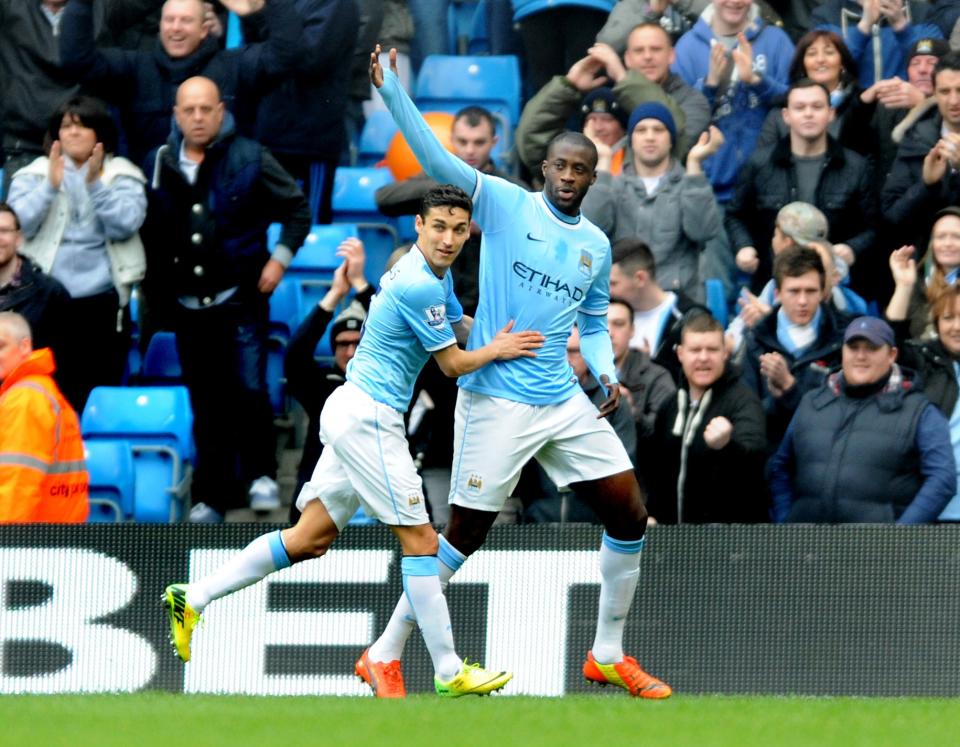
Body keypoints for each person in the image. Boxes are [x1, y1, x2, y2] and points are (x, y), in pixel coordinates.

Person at [367, 45, 672, 700]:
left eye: (580, 168)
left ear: (594, 178)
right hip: (496, 400)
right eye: (560, 164)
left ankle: (607, 653)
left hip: (560, 399)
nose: (568, 174)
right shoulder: (505, 202)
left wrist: (603, 368)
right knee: (462, 537)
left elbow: (592, 321)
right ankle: (385, 651)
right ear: (545, 168)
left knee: (629, 513)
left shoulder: (593, 244)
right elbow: (442, 163)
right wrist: (395, 96)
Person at [162, 183, 544, 699]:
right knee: (423, 543)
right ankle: (450, 670)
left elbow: (461, 326)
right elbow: (453, 362)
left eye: (458, 229)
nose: (449, 239)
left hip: (353, 410)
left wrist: (510, 339)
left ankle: (196, 594)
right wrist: (497, 350)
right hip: (370, 417)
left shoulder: (436, 273)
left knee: (308, 538)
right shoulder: (417, 284)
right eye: (439, 227)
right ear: (419, 226)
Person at [141, 76, 311, 522]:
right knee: (205, 400)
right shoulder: (159, 162)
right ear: (176, 116)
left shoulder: (250, 156)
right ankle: (210, 495)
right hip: (187, 304)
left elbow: (297, 209)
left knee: (250, 388)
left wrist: (279, 261)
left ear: (220, 111)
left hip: (241, 298)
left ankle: (263, 476)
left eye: (205, 109)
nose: (197, 117)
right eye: (188, 110)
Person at [7, 95, 147, 412]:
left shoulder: (123, 173)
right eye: (66, 126)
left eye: (82, 126)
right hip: (45, 300)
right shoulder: (34, 173)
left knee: (97, 394)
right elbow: (17, 227)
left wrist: (96, 184)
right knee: (46, 395)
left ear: (100, 134)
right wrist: (49, 188)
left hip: (101, 301)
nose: (72, 133)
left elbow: (126, 223)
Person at [59, 0, 305, 165]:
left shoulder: (235, 66)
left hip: (219, 211)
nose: (176, 28)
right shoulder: (134, 68)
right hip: (152, 209)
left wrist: (258, 12)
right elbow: (77, 60)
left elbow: (288, 53)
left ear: (204, 29)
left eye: (186, 21)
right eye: (169, 20)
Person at [769, 315, 956, 523]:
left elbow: (943, 479)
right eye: (853, 347)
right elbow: (780, 468)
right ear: (842, 351)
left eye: (872, 348)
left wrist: (899, 537)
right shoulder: (811, 402)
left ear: (892, 355)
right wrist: (786, 522)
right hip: (807, 549)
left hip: (878, 552)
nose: (860, 356)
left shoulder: (921, 411)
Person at [726, 79, 877, 295]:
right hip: (772, 286)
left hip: (834, 287)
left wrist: (853, 248)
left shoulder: (856, 167)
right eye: (800, 107)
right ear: (786, 116)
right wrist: (744, 247)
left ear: (831, 113)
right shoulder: (759, 164)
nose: (808, 113)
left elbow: (873, 227)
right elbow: (735, 214)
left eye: (817, 107)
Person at [581, 101, 724, 301]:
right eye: (641, 130)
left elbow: (703, 230)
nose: (650, 137)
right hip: (620, 301)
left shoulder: (690, 183)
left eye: (658, 130)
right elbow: (591, 228)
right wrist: (603, 162)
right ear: (631, 140)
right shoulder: (611, 185)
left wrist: (694, 166)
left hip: (677, 299)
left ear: (671, 140)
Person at [641, 312, 767, 523]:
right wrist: (651, 513)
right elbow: (657, 472)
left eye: (712, 349)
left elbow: (755, 460)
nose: (703, 357)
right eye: (695, 350)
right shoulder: (670, 405)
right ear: (680, 353)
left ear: (725, 353)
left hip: (728, 543)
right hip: (672, 540)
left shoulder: (743, 401)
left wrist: (727, 445)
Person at [241, 0, 358, 223]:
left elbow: (308, 59)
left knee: (306, 232)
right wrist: (252, 16)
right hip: (268, 134)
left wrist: (264, 12)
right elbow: (258, 55)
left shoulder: (337, 4)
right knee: (265, 235)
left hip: (308, 144)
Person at [284, 237, 374, 521]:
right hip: (318, 504)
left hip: (375, 499)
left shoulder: (387, 384)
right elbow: (295, 356)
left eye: (357, 343)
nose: (350, 351)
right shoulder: (322, 385)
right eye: (342, 344)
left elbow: (399, 327)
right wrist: (335, 294)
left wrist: (360, 283)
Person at [671, 0, 795, 202]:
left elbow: (798, 103)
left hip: (770, 188)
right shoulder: (687, 47)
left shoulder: (776, 39)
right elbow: (679, 120)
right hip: (711, 189)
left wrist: (757, 81)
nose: (735, 1)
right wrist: (710, 85)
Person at [740, 247, 852, 450]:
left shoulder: (844, 338)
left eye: (810, 291)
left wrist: (789, 388)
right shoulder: (756, 339)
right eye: (794, 291)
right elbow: (748, 418)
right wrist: (777, 399)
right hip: (770, 457)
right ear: (777, 294)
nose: (802, 301)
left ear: (822, 292)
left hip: (825, 455)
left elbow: (842, 416)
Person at [887, 252, 960, 520]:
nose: (957, 327)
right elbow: (890, 343)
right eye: (948, 318)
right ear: (937, 324)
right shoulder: (925, 358)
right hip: (930, 503)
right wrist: (905, 286)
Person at [0, 311, 88, 523]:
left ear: (24, 346)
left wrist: (5, 543)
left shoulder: (24, 399)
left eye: (1, 346)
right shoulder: (43, 390)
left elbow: (18, 482)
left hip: (32, 541)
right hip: (55, 534)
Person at [882, 52, 960, 253]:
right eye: (944, 91)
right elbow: (892, 216)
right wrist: (927, 186)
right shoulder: (917, 138)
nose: (953, 100)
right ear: (934, 94)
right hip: (925, 263)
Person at [756, 30, 873, 155]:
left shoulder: (864, 104)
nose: (820, 59)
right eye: (812, 54)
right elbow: (762, 163)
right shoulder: (780, 112)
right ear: (803, 65)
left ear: (842, 63)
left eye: (829, 52)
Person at [608, 237, 706, 381]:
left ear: (640, 278)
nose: (606, 291)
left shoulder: (688, 319)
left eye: (613, 284)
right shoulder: (601, 313)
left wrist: (650, 368)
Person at [812, 0, 942, 88]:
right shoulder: (826, 15)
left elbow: (937, 66)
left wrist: (901, 26)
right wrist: (863, 28)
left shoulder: (922, 12)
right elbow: (825, 69)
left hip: (908, 107)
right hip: (849, 111)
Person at [0, 203, 71, 363]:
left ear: (18, 238)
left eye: (4, 231)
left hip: (27, 386)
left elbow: (65, 363)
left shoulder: (49, 293)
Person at [884, 207, 960, 338]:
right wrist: (904, 286)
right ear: (932, 243)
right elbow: (887, 341)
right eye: (941, 237)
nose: (947, 243)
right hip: (922, 357)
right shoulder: (916, 281)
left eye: (957, 237)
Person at [607, 296, 675, 440]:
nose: (609, 333)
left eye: (618, 324)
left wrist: (632, 412)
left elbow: (665, 440)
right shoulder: (575, 373)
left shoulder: (657, 377)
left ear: (632, 330)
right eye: (601, 325)